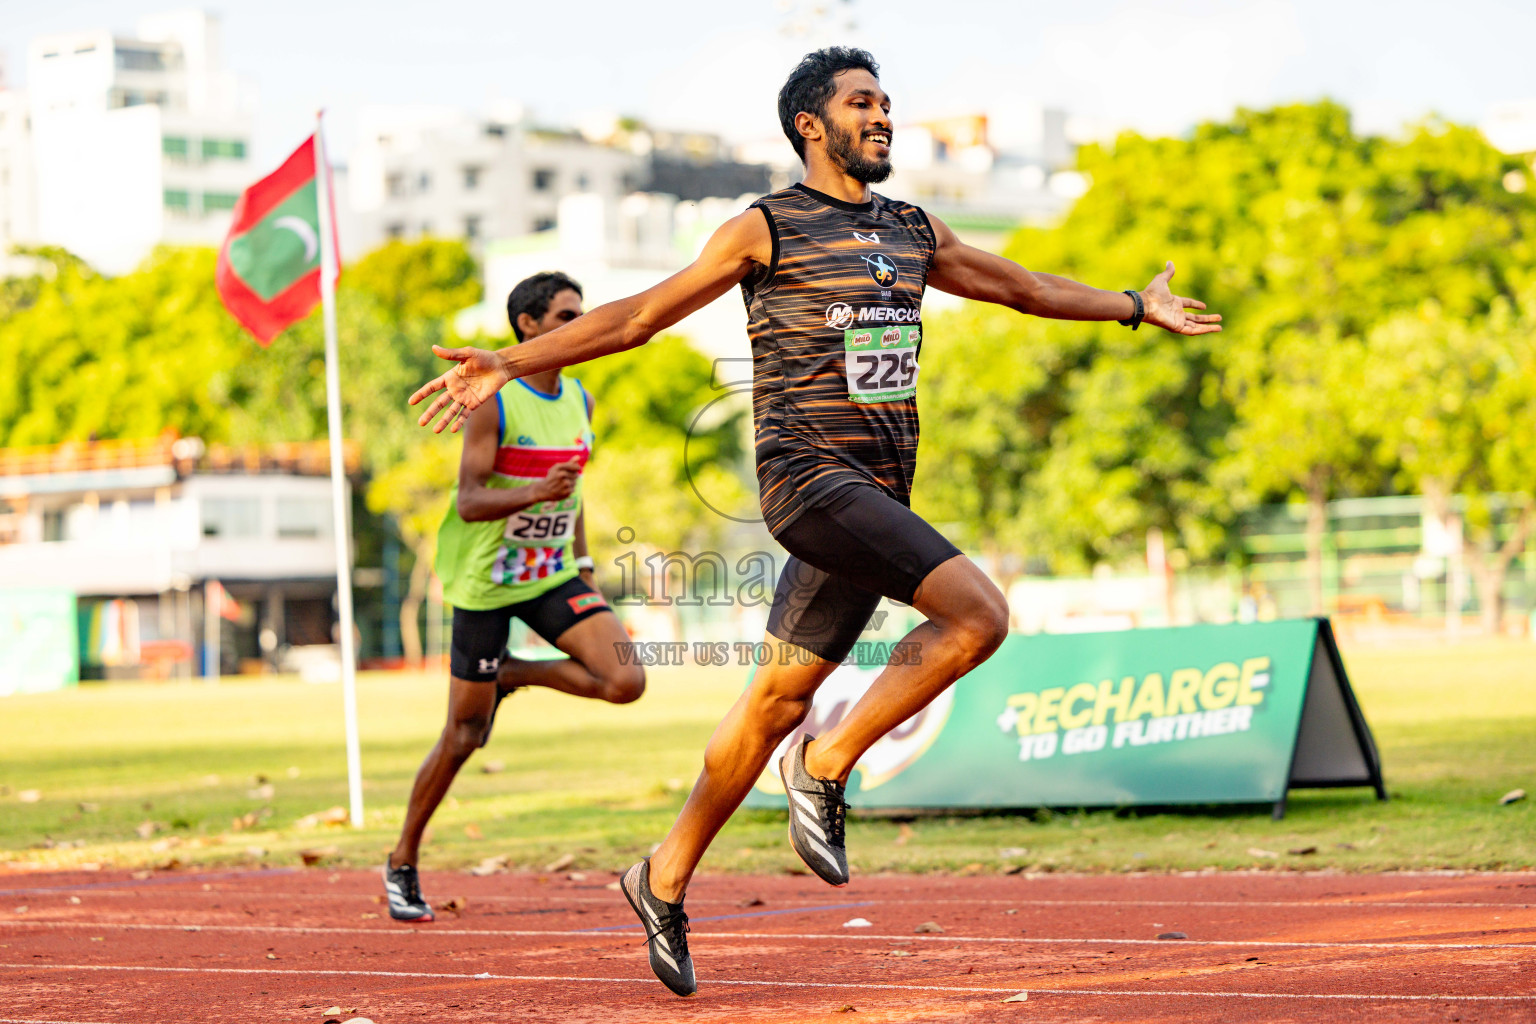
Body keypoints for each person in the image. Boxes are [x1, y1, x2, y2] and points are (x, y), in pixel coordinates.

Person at [409, 48, 1220, 990]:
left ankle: (660, 877)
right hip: (808, 479)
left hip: (875, 495)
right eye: (861, 102)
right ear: (811, 125)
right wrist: (513, 362)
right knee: (979, 617)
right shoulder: (766, 227)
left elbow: (1022, 287)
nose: (882, 115)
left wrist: (1132, 306)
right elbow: (640, 316)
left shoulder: (913, 228)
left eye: (886, 102)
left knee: (771, 701)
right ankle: (827, 763)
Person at [384, 271, 645, 923]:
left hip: (552, 572)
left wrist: (581, 561)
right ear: (527, 325)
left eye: (582, 315)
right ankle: (402, 861)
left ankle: (511, 676)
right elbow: (470, 501)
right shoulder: (497, 403)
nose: (577, 325)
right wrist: (533, 494)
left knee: (625, 678)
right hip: (488, 581)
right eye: (565, 316)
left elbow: (572, 488)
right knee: (464, 733)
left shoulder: (579, 400)